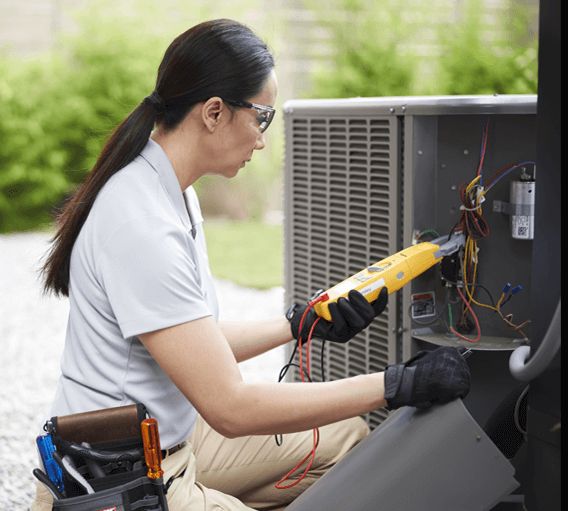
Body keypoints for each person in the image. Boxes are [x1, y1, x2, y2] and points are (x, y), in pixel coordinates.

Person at [34, 19, 470, 511]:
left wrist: (300, 323)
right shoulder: (141, 222)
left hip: (168, 445)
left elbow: (197, 341)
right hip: (119, 482)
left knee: (344, 437)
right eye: (262, 117)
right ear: (214, 112)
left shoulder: (171, 193)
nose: (263, 139)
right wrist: (397, 384)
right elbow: (230, 408)